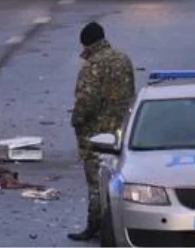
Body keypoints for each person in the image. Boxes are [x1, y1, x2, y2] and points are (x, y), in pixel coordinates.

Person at [68, 22, 135, 241]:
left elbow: (86, 101)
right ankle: (119, 222)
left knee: (96, 180)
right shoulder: (123, 59)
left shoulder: (93, 65)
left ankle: (95, 225)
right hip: (122, 129)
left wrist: (77, 121)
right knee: (118, 177)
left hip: (97, 132)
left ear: (86, 42)